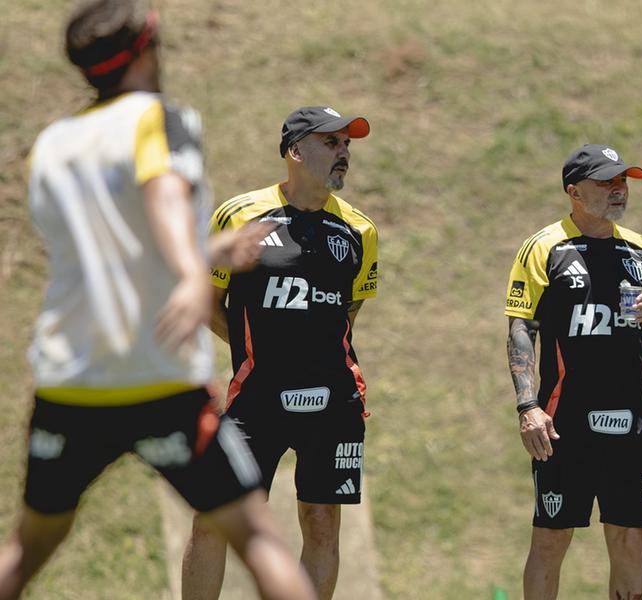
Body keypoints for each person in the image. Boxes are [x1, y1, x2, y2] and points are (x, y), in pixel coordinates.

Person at [0, 1, 317, 599]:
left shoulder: (52, 144)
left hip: (72, 379)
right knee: (258, 540)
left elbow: (110, 249)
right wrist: (194, 274)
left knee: (29, 547)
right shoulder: (159, 118)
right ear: (144, 51)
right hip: (160, 377)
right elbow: (164, 197)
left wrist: (207, 251)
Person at [180, 105, 378, 600]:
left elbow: (346, 314)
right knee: (214, 517)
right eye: (331, 142)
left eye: (346, 144)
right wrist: (259, 351)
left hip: (333, 401)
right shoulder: (240, 216)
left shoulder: (360, 231)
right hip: (257, 399)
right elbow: (206, 301)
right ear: (295, 151)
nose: (343, 153)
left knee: (322, 522)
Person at [505, 144, 642, 600]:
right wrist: (528, 406)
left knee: (629, 540)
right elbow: (521, 328)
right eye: (606, 181)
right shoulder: (545, 247)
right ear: (575, 192)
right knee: (551, 538)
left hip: (632, 421)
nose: (618, 189)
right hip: (564, 423)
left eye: (622, 180)